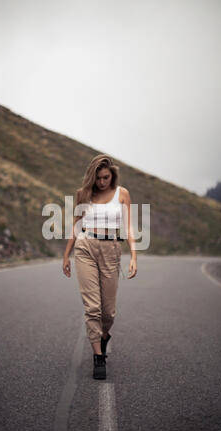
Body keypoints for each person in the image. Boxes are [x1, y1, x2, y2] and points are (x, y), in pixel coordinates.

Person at [63, 154, 137, 379]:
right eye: (98, 178)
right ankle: (98, 357)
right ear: (92, 177)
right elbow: (76, 227)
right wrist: (66, 256)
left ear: (111, 175)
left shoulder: (122, 194)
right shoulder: (83, 194)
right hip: (85, 248)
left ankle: (103, 336)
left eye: (105, 177)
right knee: (92, 307)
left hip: (111, 249)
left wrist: (134, 256)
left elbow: (129, 228)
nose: (102, 182)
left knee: (108, 312)